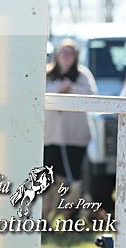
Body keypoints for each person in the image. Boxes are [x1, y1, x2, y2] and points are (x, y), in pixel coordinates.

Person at [42, 38, 97, 220]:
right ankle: (45, 216)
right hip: (50, 136)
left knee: (72, 178)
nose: (66, 56)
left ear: (75, 56)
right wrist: (59, 88)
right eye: (63, 52)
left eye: (70, 53)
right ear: (57, 55)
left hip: (75, 136)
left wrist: (71, 88)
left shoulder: (83, 75)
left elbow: (91, 96)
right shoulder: (47, 74)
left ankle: (70, 215)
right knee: (48, 179)